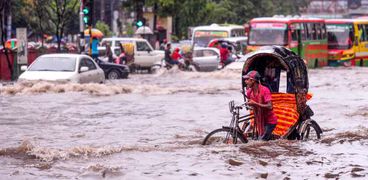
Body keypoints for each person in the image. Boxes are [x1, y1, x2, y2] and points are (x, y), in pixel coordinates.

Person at [244, 70, 278, 141]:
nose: (245, 81)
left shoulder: (265, 90)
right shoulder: (249, 92)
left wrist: (255, 104)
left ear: (252, 81)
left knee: (261, 142)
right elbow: (250, 104)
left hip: (270, 121)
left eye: (247, 80)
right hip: (259, 120)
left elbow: (270, 106)